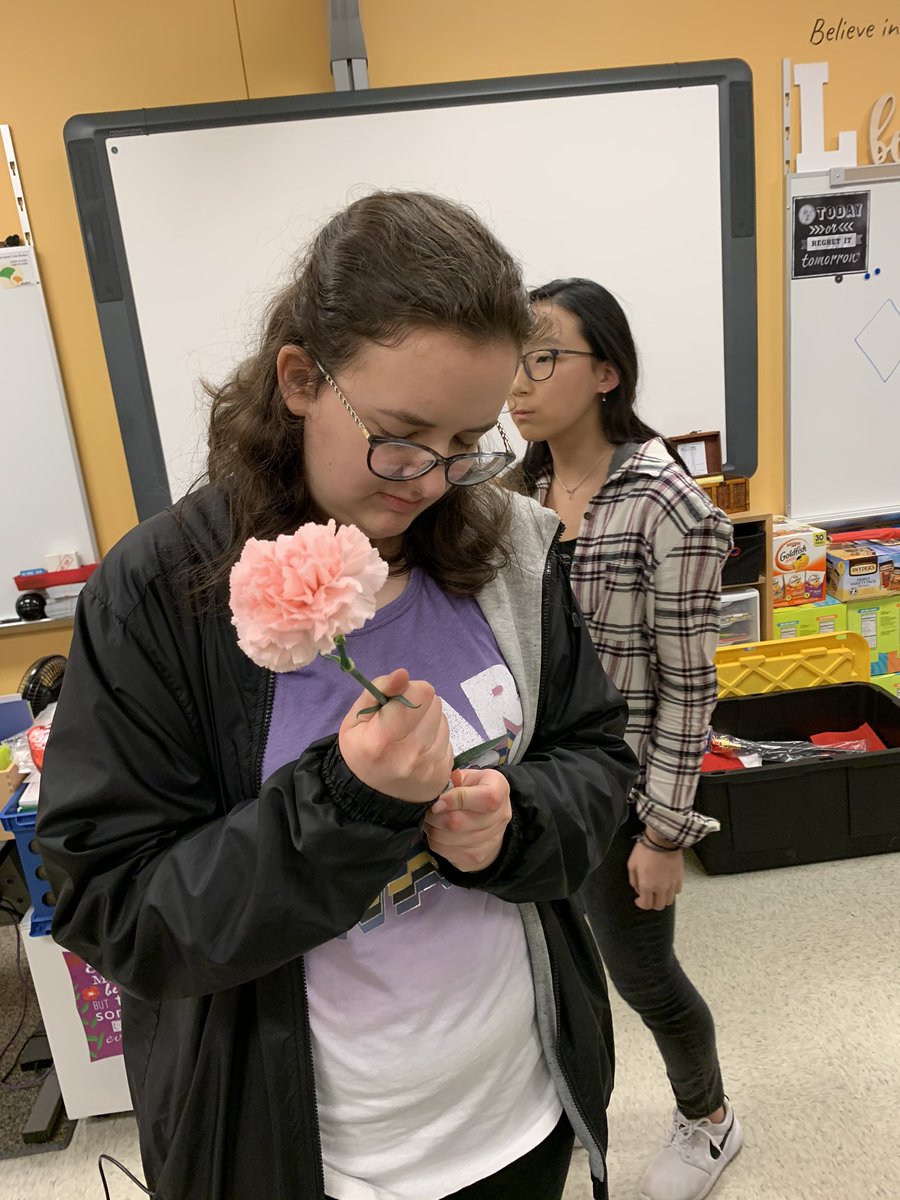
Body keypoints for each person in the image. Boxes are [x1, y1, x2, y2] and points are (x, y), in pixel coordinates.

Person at [36, 197, 638, 1200]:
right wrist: (345, 807)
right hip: (303, 1156)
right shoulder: (161, 594)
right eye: (399, 436)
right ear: (302, 379)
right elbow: (116, 910)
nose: (432, 481)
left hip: (519, 1114)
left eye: (467, 441)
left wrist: (513, 823)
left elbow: (595, 761)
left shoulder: (512, 551)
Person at [506, 278, 741, 1200]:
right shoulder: (509, 493)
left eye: (543, 357)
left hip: (621, 796)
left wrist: (664, 833)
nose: (519, 383)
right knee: (543, 975)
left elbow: (691, 684)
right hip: (531, 790)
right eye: (512, 359)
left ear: (606, 372)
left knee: (643, 974)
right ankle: (556, 1110)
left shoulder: (665, 505)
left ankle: (709, 1117)